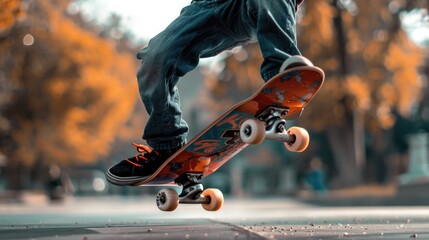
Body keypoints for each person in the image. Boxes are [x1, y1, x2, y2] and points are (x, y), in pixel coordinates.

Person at [106, 0, 313, 185]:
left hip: (247, 6)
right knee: (154, 57)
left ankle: (284, 74)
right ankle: (166, 145)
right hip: (204, 7)